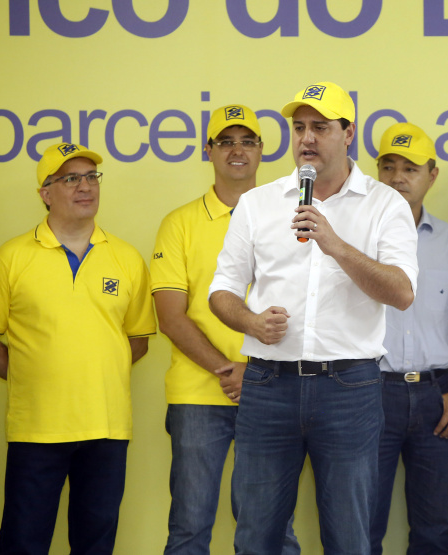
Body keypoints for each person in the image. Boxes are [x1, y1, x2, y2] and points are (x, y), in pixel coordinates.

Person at [208, 82, 419, 555]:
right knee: (256, 534)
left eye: (319, 127)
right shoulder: (258, 203)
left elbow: (402, 293)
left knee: (348, 536)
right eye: (299, 127)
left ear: (348, 133)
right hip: (267, 386)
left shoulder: (386, 205)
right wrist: (250, 322)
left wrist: (335, 244)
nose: (306, 138)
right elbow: (221, 290)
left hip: (350, 389)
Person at [0, 142, 156, 554]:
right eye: (70, 178)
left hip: (107, 429)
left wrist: (94, 374)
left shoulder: (127, 259)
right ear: (45, 192)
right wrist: (32, 375)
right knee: (24, 542)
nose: (85, 186)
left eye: (92, 177)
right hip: (37, 428)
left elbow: (139, 339)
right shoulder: (10, 258)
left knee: (95, 544)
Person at [151, 105, 299, 554]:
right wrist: (226, 368)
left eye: (248, 141)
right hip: (199, 396)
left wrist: (254, 373)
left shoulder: (290, 215)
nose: (238, 151)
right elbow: (171, 315)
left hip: (273, 390)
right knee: (190, 526)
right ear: (208, 150)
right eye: (226, 142)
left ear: (261, 151)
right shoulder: (179, 224)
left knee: (271, 530)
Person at [370, 122, 448, 554]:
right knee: (360, 528)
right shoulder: (353, 239)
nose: (398, 177)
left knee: (433, 530)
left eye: (410, 167)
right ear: (376, 172)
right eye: (388, 166)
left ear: (432, 174)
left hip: (436, 397)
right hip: (368, 392)